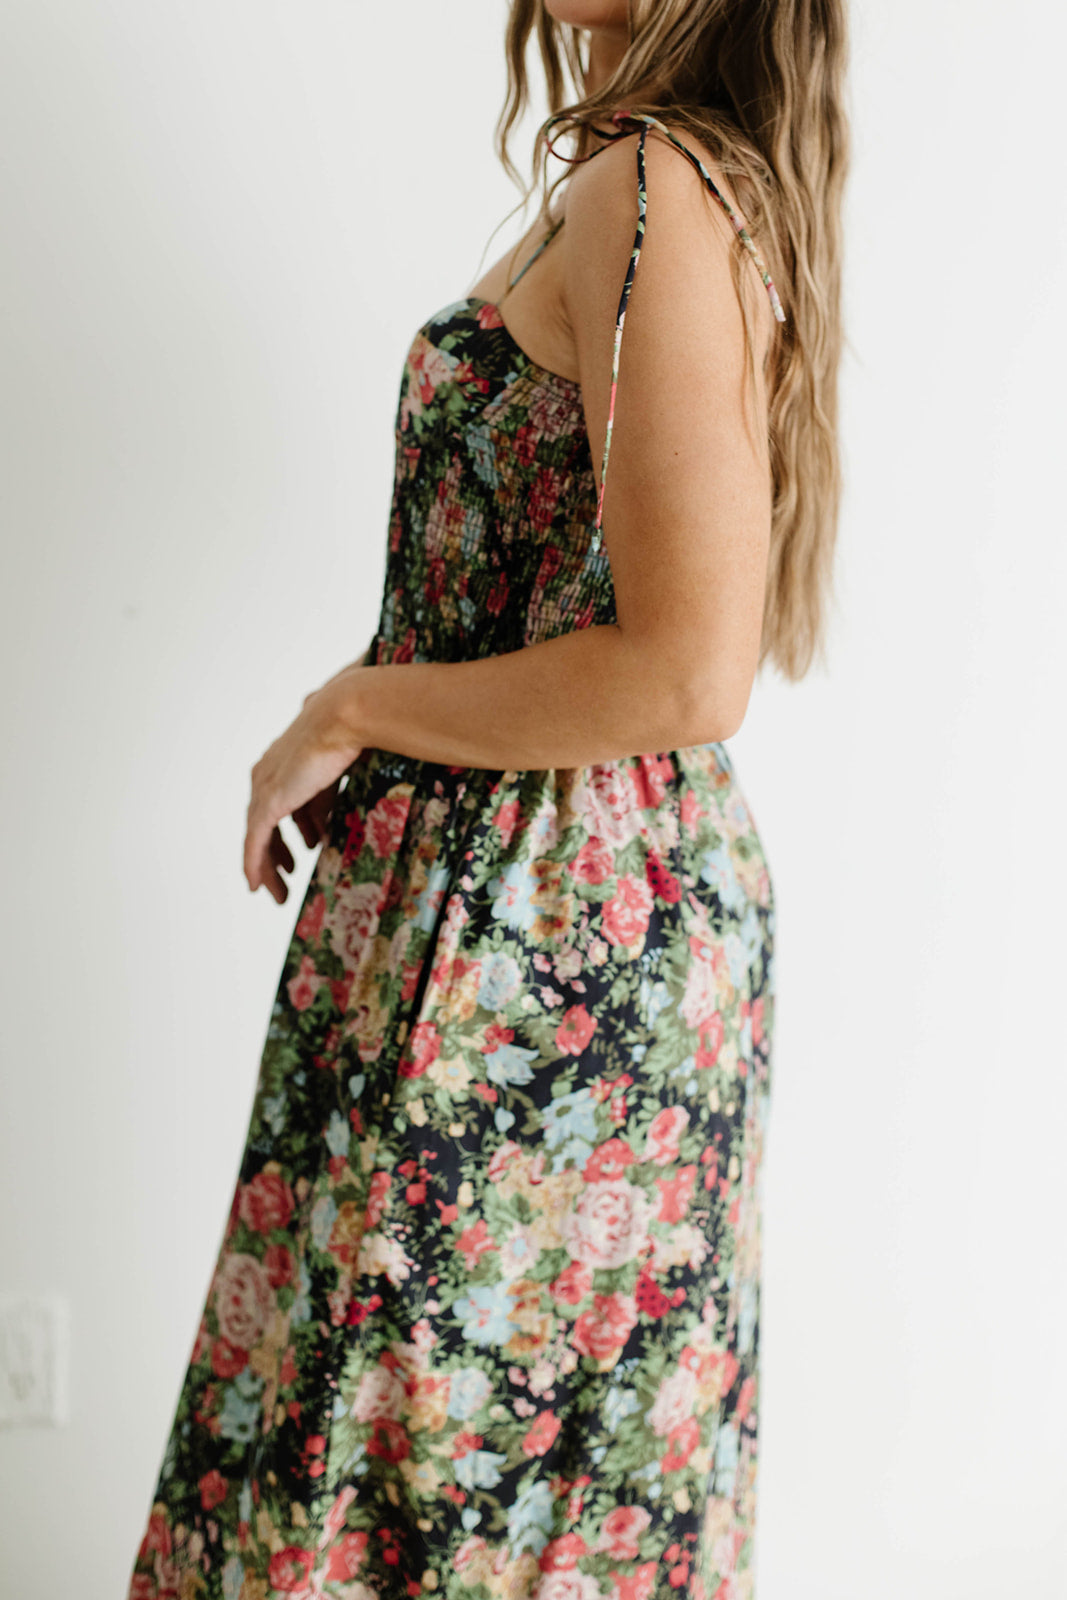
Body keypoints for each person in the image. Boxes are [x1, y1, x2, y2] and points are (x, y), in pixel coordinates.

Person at [127, 1, 848, 1596]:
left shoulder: (654, 184)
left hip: (541, 955)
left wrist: (349, 707)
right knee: (454, 1470)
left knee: (440, 1467)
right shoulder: (641, 177)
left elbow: (686, 672)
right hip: (525, 914)